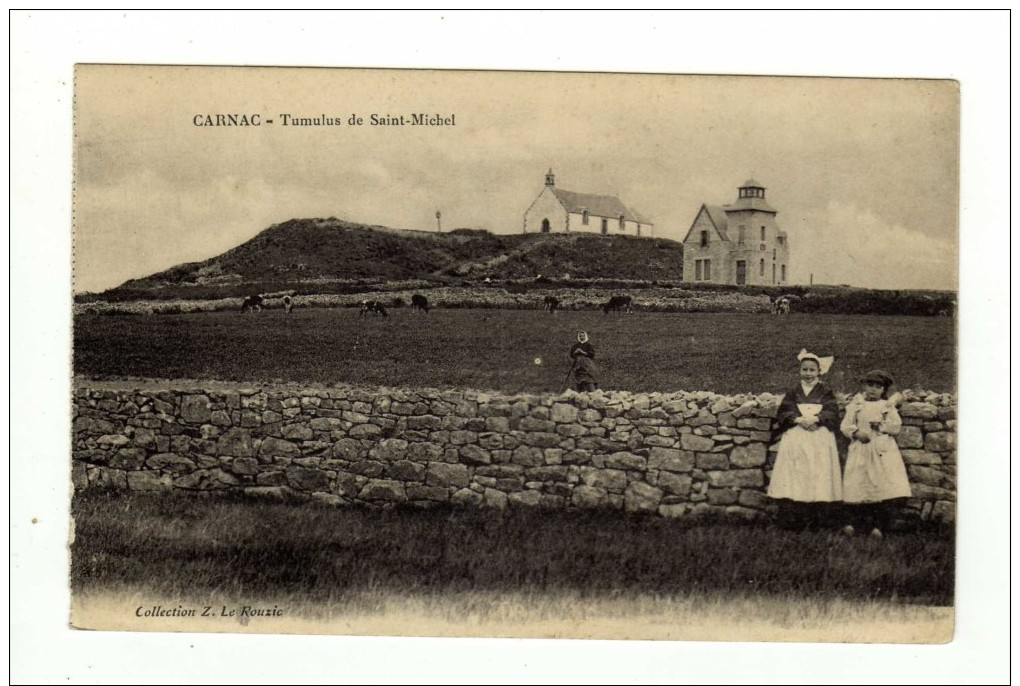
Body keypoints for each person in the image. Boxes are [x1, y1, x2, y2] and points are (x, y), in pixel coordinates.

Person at [767, 349, 843, 530]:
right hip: (797, 437)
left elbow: (832, 412)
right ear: (800, 371)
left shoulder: (826, 391)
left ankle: (819, 520)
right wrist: (799, 419)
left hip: (819, 437)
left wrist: (816, 419)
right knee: (796, 475)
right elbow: (784, 411)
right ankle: (794, 520)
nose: (808, 374)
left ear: (819, 372)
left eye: (812, 370)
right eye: (805, 370)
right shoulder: (793, 392)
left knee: (818, 475)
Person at [840, 370, 911, 539]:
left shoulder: (886, 406)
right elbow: (845, 425)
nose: (873, 389)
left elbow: (896, 426)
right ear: (864, 386)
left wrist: (882, 427)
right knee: (858, 483)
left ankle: (878, 526)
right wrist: (856, 433)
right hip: (861, 450)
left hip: (881, 450)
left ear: (883, 390)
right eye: (869, 385)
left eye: (878, 387)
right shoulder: (856, 405)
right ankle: (852, 524)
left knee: (881, 485)